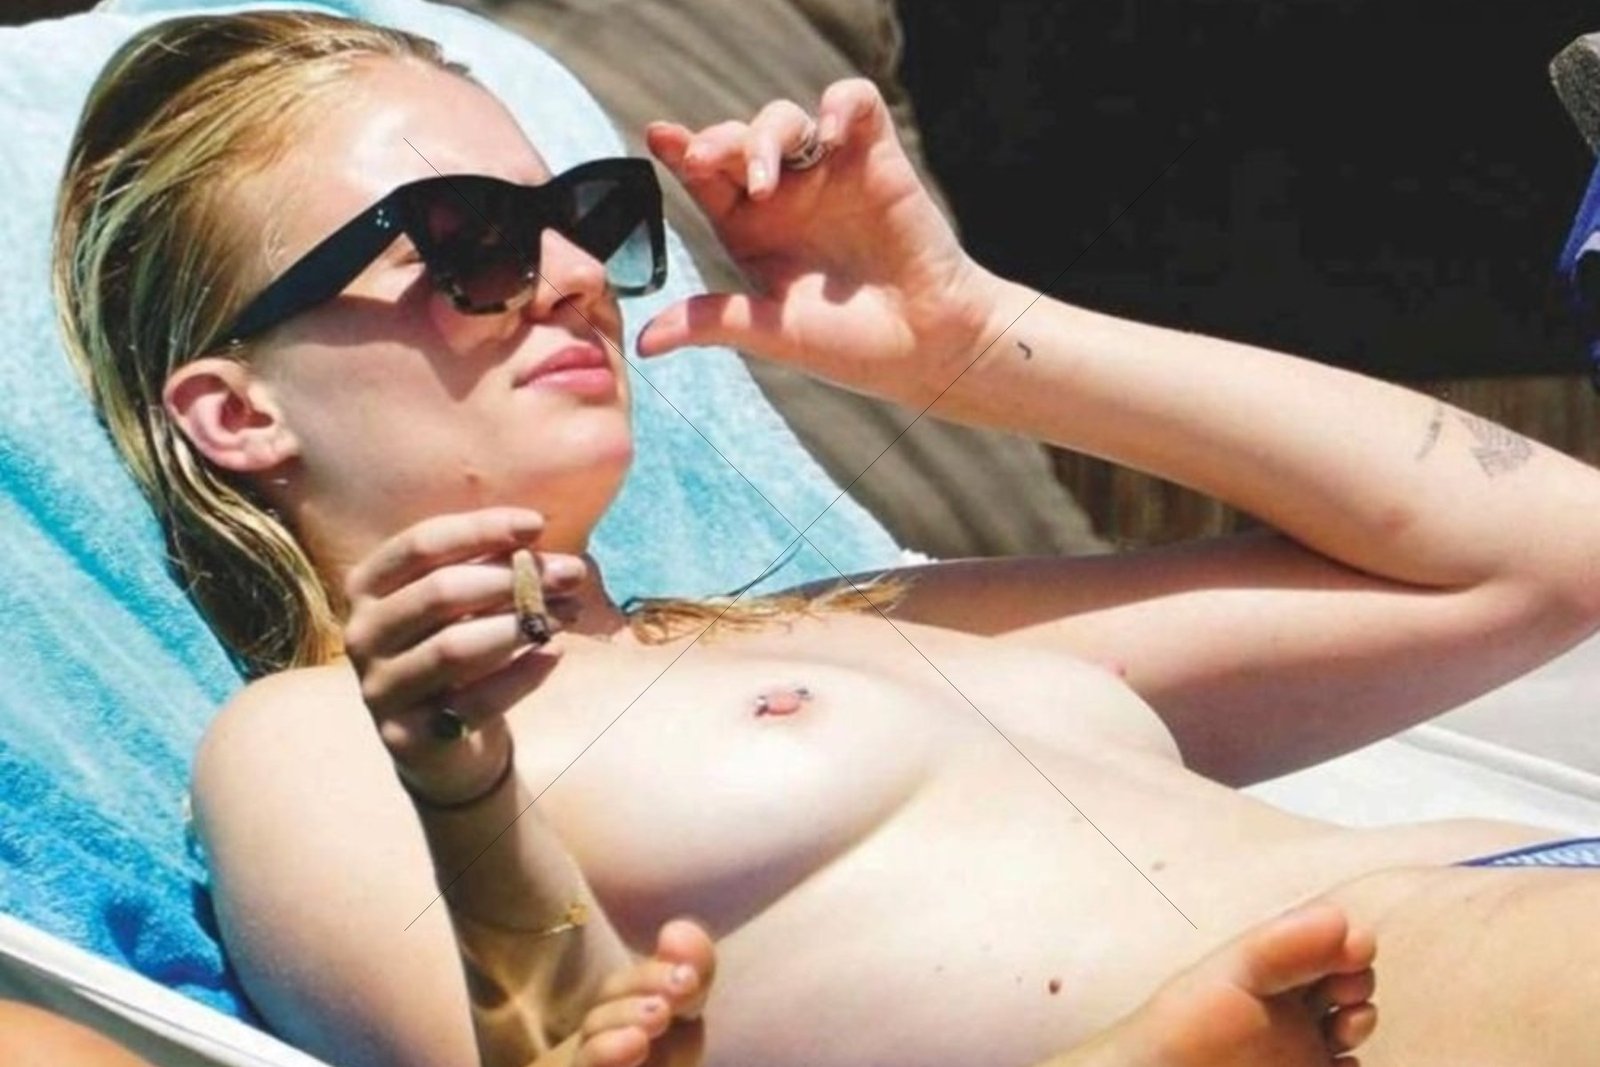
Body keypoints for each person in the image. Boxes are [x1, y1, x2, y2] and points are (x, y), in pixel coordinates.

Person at [49, 10, 1600, 1067]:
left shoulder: (849, 622)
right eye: (470, 240)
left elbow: (1545, 555)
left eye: (589, 214)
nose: (577, 272)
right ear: (238, 413)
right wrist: (467, 798)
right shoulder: (318, 742)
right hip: (1375, 1004)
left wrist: (972, 339)